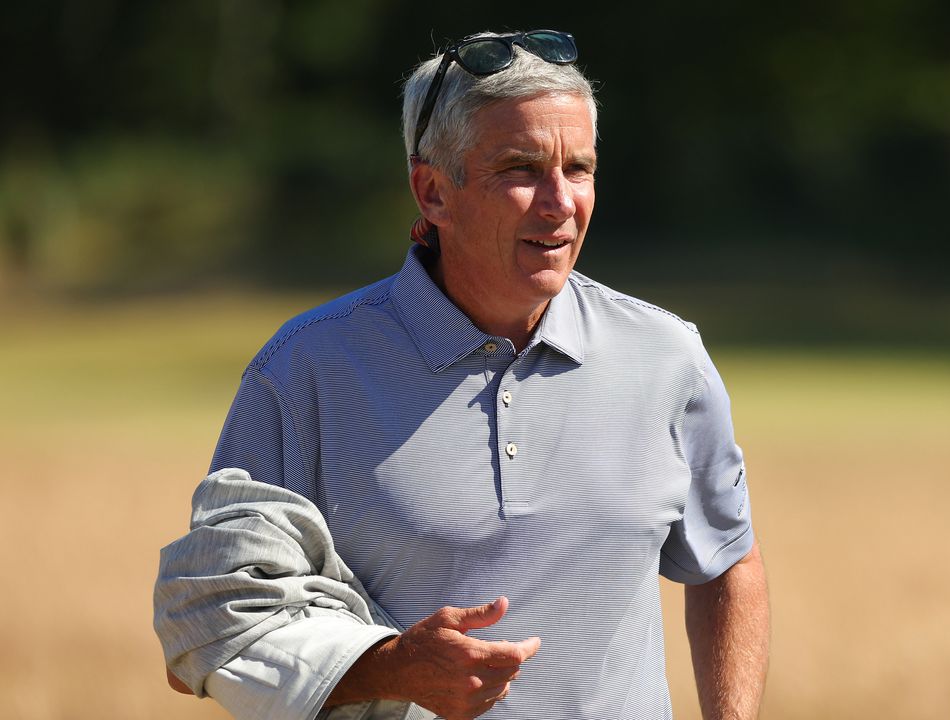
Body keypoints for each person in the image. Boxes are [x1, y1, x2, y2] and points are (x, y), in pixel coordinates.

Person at [154, 29, 769, 720]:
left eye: (579, 169)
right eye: (521, 169)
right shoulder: (305, 370)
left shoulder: (666, 356)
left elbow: (727, 564)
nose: (560, 201)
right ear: (433, 192)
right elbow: (207, 630)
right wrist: (388, 669)